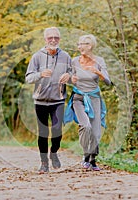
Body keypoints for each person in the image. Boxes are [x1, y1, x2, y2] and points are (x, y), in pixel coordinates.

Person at [25, 27, 71, 173]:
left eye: (56, 38)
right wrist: (40, 74)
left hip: (58, 100)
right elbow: (28, 78)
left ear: (59, 39)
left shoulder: (66, 56)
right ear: (45, 39)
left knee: (57, 130)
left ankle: (54, 153)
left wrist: (69, 76)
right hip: (41, 100)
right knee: (43, 132)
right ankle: (44, 163)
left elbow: (72, 73)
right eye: (50, 37)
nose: (53, 40)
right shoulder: (37, 56)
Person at [64, 34, 111, 171]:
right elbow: (67, 77)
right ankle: (85, 156)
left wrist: (98, 72)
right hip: (78, 98)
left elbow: (108, 81)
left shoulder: (99, 61)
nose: (79, 47)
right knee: (86, 126)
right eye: (78, 44)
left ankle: (93, 159)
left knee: (96, 132)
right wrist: (70, 79)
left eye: (82, 44)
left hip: (94, 98)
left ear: (90, 46)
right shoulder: (74, 61)